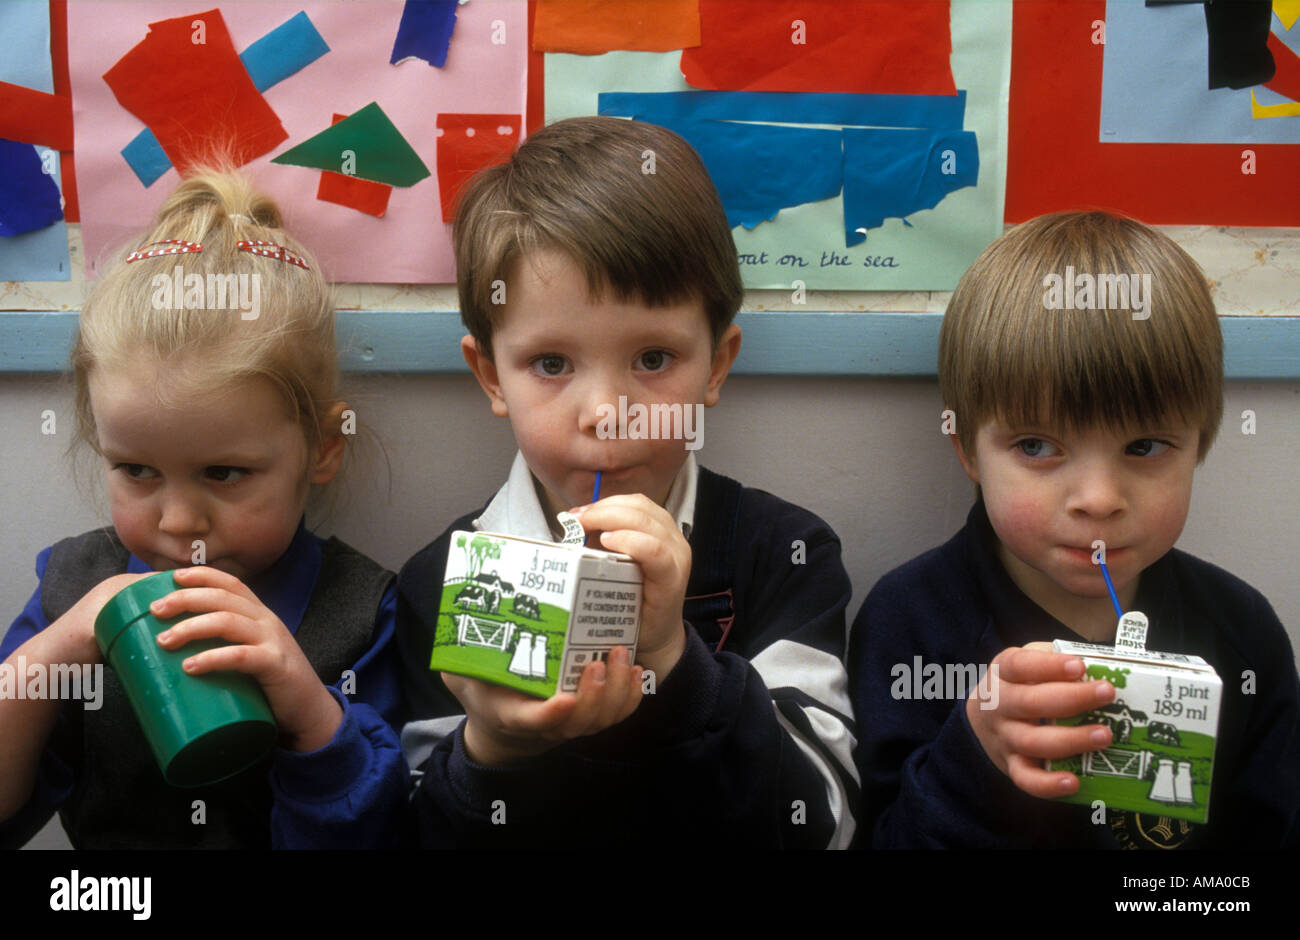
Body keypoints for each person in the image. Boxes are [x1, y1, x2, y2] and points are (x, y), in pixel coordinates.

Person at [397, 117, 857, 848]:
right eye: (551, 364)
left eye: (652, 359)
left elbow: (821, 826)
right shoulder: (443, 582)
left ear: (715, 364)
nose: (606, 416)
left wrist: (675, 657)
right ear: (490, 374)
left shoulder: (785, 554)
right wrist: (495, 747)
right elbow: (416, 834)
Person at [851, 211, 1300, 849]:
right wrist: (974, 757)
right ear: (969, 451)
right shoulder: (909, 620)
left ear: (1200, 445)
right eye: (1037, 446)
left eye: (1144, 446)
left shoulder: (1242, 633)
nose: (1098, 500)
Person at [0, 171, 407, 849]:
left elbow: (384, 834)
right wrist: (59, 647)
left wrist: (310, 711)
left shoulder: (362, 614)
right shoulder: (72, 587)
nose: (179, 522)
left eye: (224, 473)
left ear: (323, 449)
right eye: (136, 471)